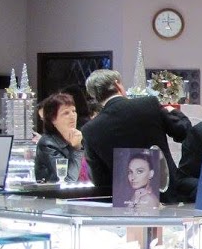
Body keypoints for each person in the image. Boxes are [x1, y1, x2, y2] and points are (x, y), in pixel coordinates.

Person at [82, 69, 191, 203]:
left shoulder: (90, 130)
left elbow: (100, 180)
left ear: (94, 96)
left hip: (126, 201)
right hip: (166, 193)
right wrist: (174, 112)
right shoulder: (148, 105)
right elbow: (182, 132)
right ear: (117, 85)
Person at [34, 92, 84, 183]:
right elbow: (68, 179)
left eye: (74, 111)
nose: (72, 116)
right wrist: (77, 149)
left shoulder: (80, 135)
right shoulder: (47, 144)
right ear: (53, 119)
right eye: (66, 113)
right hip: (53, 192)